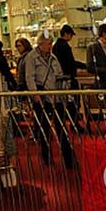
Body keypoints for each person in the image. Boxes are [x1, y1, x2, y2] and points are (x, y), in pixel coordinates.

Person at [24, 35, 74, 167]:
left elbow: (59, 73)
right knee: (44, 128)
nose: (51, 46)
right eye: (48, 44)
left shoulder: (53, 58)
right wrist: (34, 93)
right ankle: (47, 158)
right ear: (41, 44)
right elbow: (29, 77)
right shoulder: (32, 58)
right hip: (42, 97)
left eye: (51, 43)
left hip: (56, 97)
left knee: (61, 126)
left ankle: (68, 158)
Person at [53, 25, 88, 132]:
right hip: (68, 77)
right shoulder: (65, 46)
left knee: (63, 103)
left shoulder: (56, 46)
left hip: (60, 79)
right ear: (67, 34)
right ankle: (75, 124)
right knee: (73, 102)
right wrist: (84, 66)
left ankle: (65, 124)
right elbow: (71, 62)